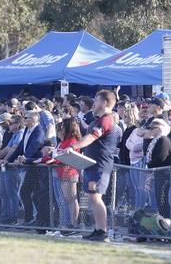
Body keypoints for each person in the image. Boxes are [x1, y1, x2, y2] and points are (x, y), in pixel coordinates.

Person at [67, 90, 118, 242]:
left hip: (100, 165)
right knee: (92, 197)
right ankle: (98, 229)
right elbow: (87, 134)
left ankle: (102, 232)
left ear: (104, 103)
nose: (93, 104)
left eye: (96, 101)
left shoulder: (106, 120)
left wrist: (74, 146)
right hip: (91, 164)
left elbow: (91, 137)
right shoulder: (97, 121)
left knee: (96, 197)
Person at [6, 112, 48, 228]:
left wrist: (25, 158)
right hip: (29, 165)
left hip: (35, 166)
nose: (24, 120)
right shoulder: (27, 130)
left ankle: (36, 219)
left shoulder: (38, 130)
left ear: (33, 119)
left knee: (32, 193)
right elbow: (20, 147)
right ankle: (30, 218)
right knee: (25, 192)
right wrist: (9, 159)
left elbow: (35, 145)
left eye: (26, 118)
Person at [145, 118, 171, 219]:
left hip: (164, 175)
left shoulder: (163, 139)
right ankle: (162, 217)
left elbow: (161, 157)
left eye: (153, 128)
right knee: (158, 197)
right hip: (158, 174)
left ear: (159, 128)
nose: (151, 130)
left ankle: (166, 219)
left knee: (162, 198)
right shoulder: (156, 140)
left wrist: (150, 164)